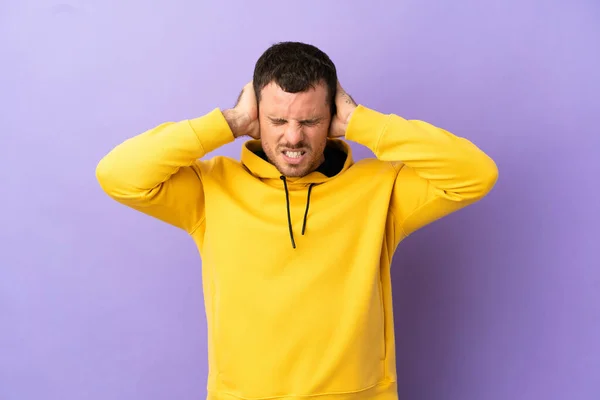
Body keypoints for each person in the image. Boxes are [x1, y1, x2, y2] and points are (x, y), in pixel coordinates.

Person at [96, 41, 498, 400]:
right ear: (256, 115)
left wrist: (363, 122)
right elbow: (119, 176)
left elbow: (475, 174)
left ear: (332, 117)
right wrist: (228, 122)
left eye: (308, 121)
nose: (292, 137)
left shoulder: (382, 189)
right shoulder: (210, 188)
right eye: (277, 121)